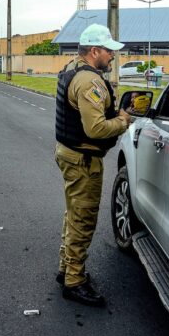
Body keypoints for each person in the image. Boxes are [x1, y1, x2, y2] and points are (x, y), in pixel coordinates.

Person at [54, 23, 131, 307]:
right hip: (83, 160)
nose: (113, 56)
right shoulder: (89, 82)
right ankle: (74, 281)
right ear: (95, 51)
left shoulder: (71, 68)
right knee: (82, 219)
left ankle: (66, 269)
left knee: (73, 214)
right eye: (109, 51)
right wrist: (123, 121)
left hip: (69, 153)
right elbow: (96, 129)